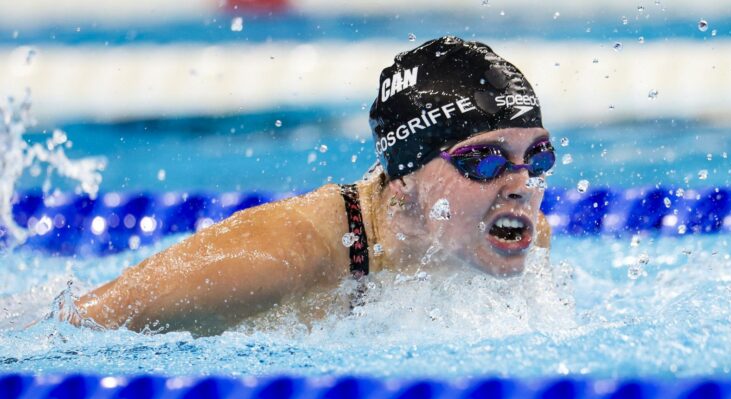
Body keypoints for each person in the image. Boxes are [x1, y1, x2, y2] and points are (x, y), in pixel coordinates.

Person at [71, 36, 555, 336]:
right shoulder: (275, 259)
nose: (521, 185)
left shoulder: (518, 236)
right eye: (485, 161)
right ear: (405, 177)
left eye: (536, 157)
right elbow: (73, 328)